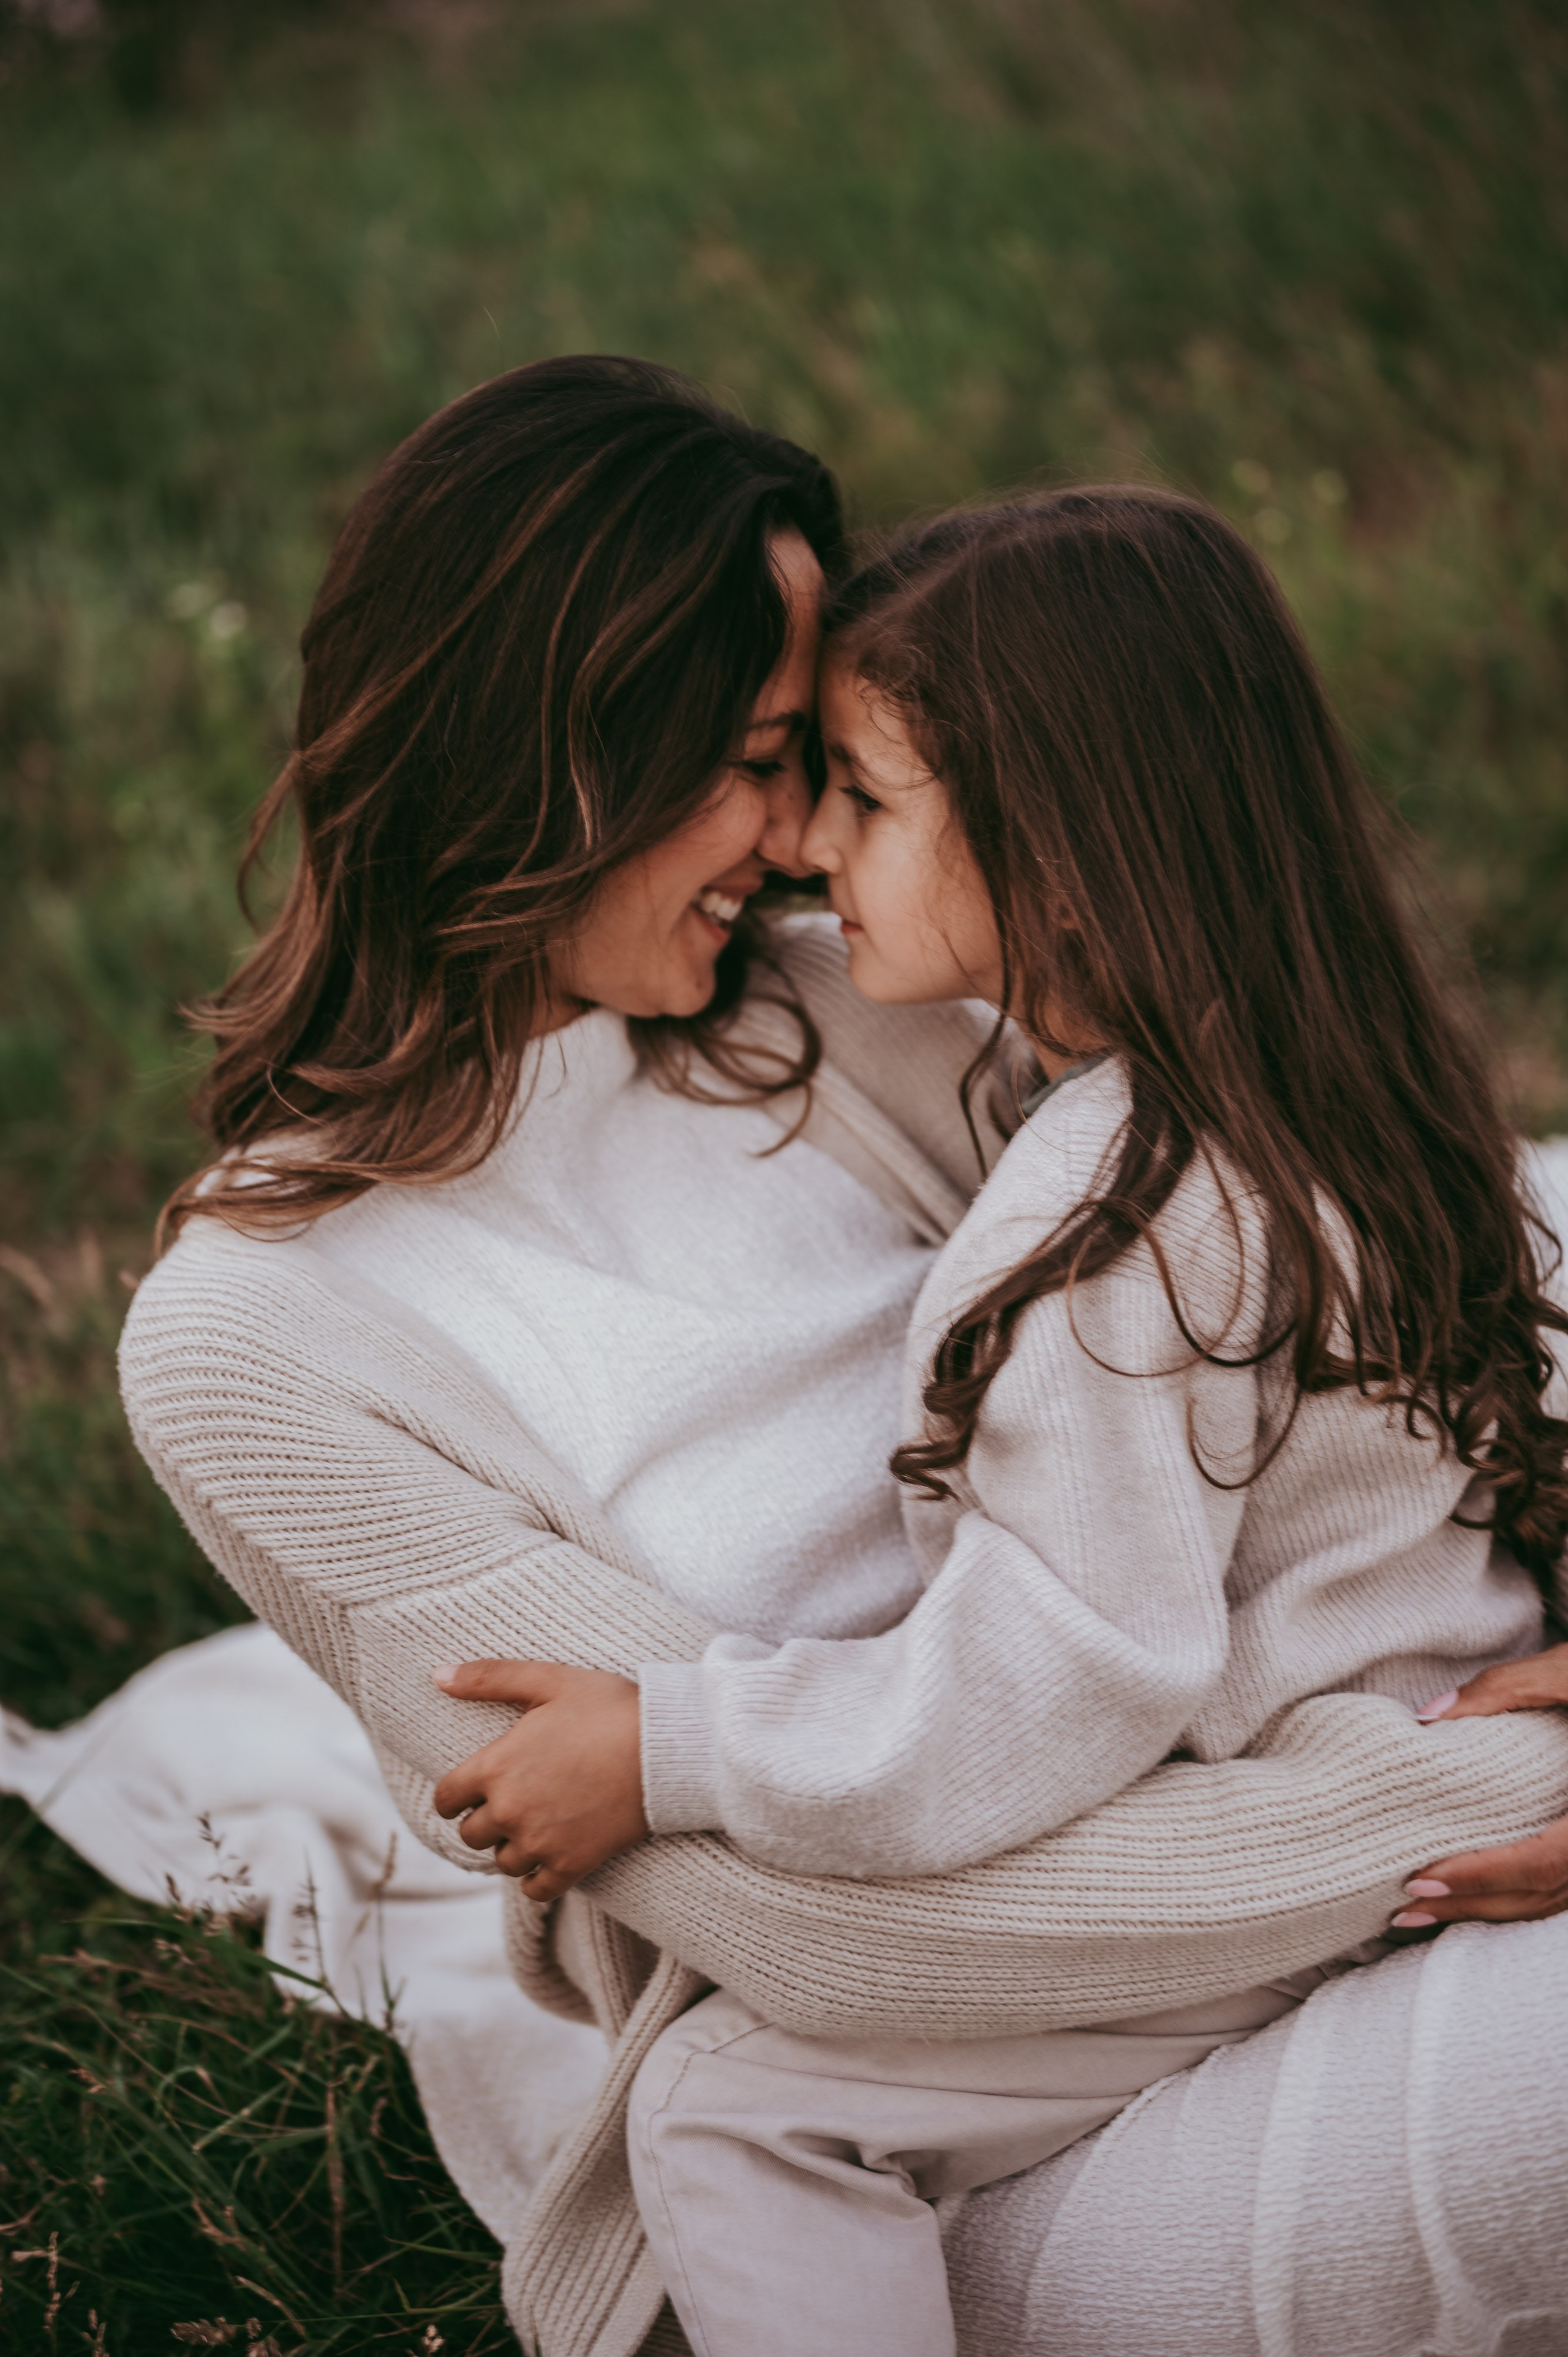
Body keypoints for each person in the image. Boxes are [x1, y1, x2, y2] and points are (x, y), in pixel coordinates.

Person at [118, 361, 1568, 2357]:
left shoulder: (819, 1016)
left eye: (829, 775)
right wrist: (1449, 1803)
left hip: (1304, 1831)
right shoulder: (256, 1343)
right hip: (964, 2120)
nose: (798, 841)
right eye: (755, 757)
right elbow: (817, 1936)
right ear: (558, 751)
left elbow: (1364, 1259)